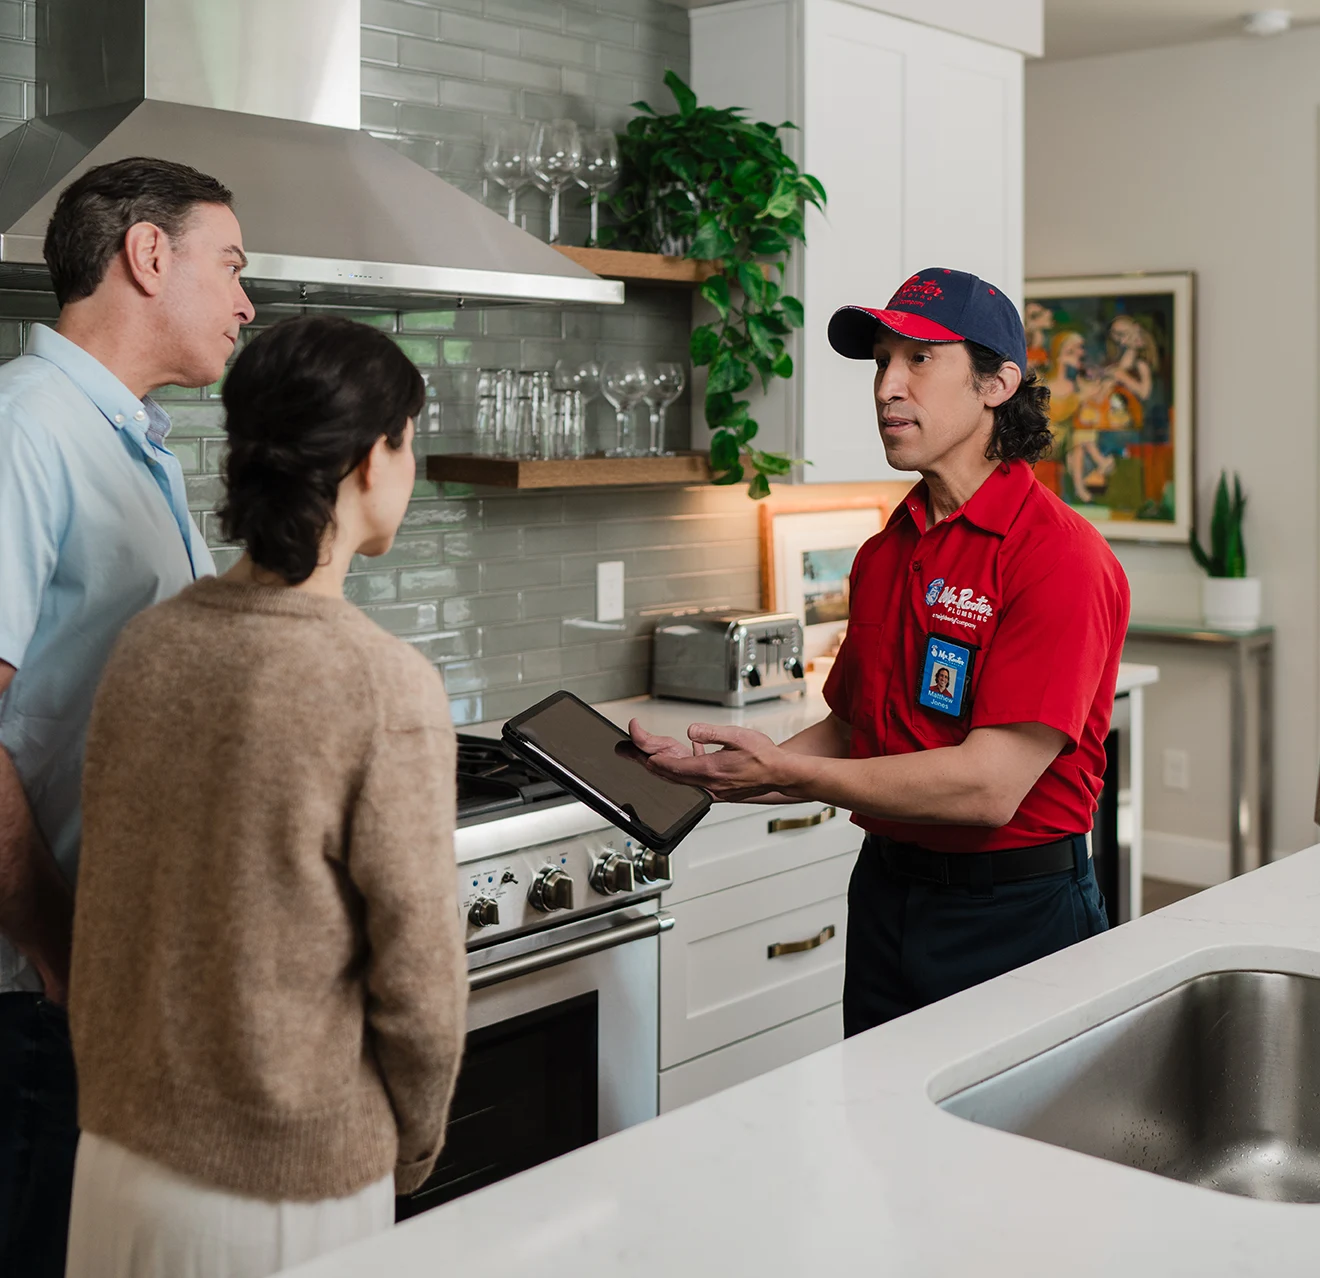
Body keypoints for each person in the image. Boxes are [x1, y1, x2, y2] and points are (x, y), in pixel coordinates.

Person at [64, 315, 468, 1278]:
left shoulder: (147, 645)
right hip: (281, 1192)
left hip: (113, 1162)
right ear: (374, 459)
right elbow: (420, 983)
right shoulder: (380, 682)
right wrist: (411, 1148)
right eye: (410, 437)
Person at [631, 267, 1128, 1036]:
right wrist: (718, 777)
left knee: (1003, 1156)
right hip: (888, 897)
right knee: (882, 1143)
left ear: (998, 383)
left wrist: (784, 772)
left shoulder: (1057, 557)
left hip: (1017, 916)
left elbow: (990, 788)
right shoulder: (886, 552)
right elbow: (856, 729)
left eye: (920, 360)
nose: (887, 387)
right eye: (880, 363)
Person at [0, 155, 254, 1274]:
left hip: (120, 976)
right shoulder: (27, 427)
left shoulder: (127, 435)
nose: (248, 301)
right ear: (148, 257)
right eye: (232, 265)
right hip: (44, 992)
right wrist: (53, 939)